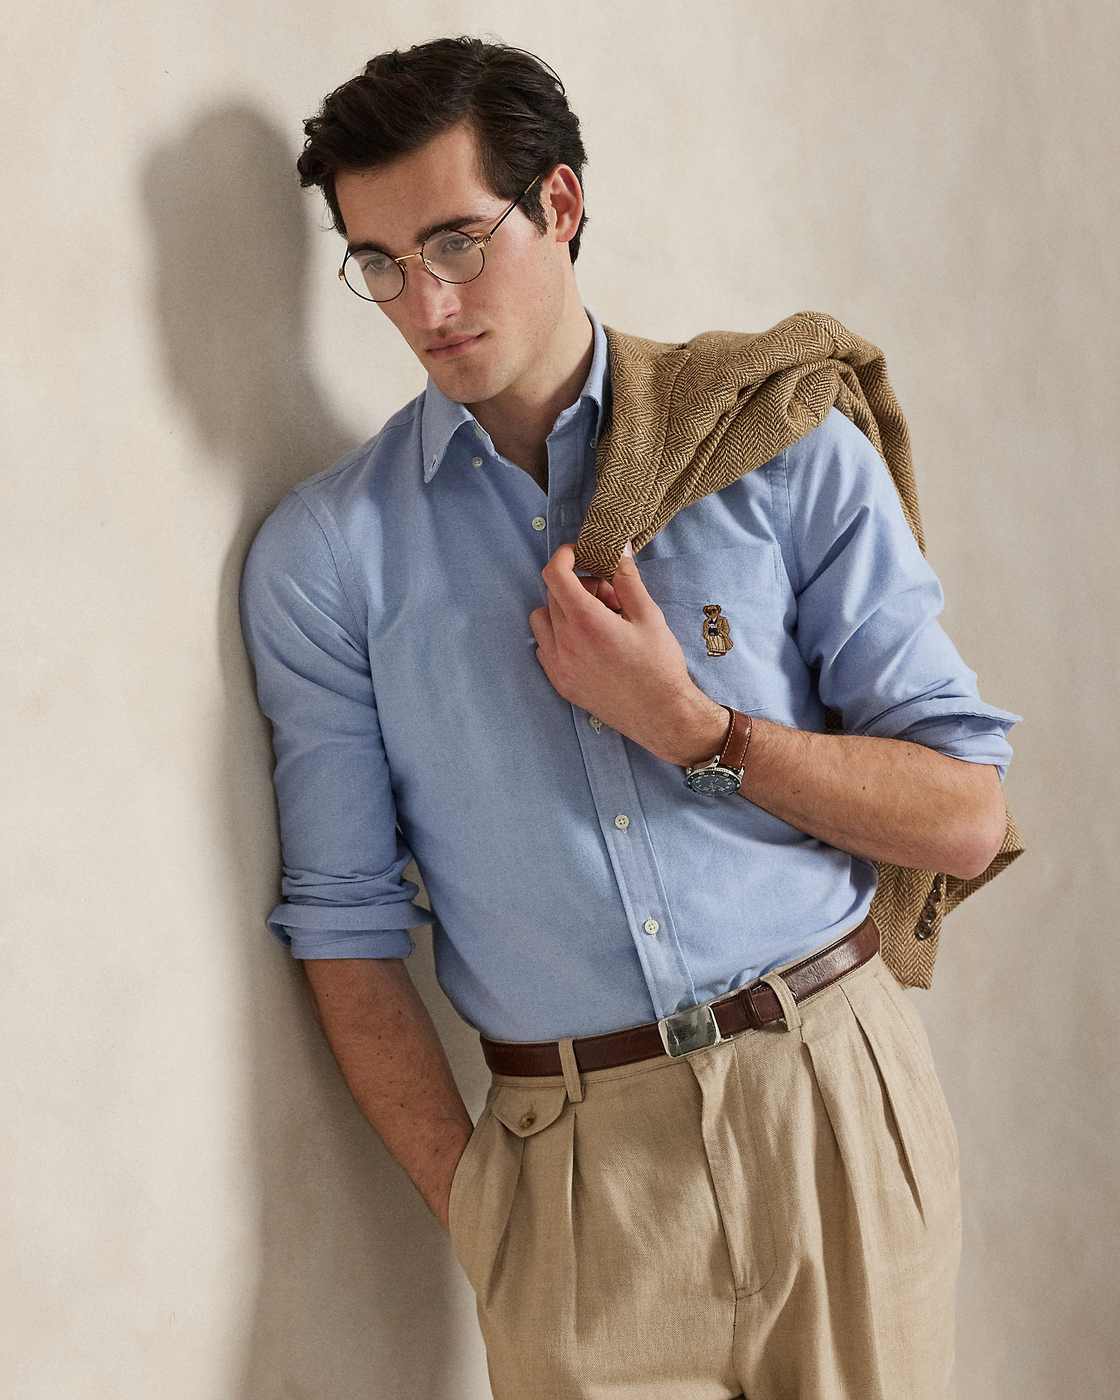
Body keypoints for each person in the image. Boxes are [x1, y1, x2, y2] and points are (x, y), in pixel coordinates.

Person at [240, 36, 1019, 1400]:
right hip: (573, 1184)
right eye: (379, 264)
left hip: (831, 1107)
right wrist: (485, 1212)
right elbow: (345, 925)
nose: (426, 302)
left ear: (559, 202)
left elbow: (963, 816)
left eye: (457, 241)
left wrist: (698, 733)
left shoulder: (773, 445)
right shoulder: (329, 558)